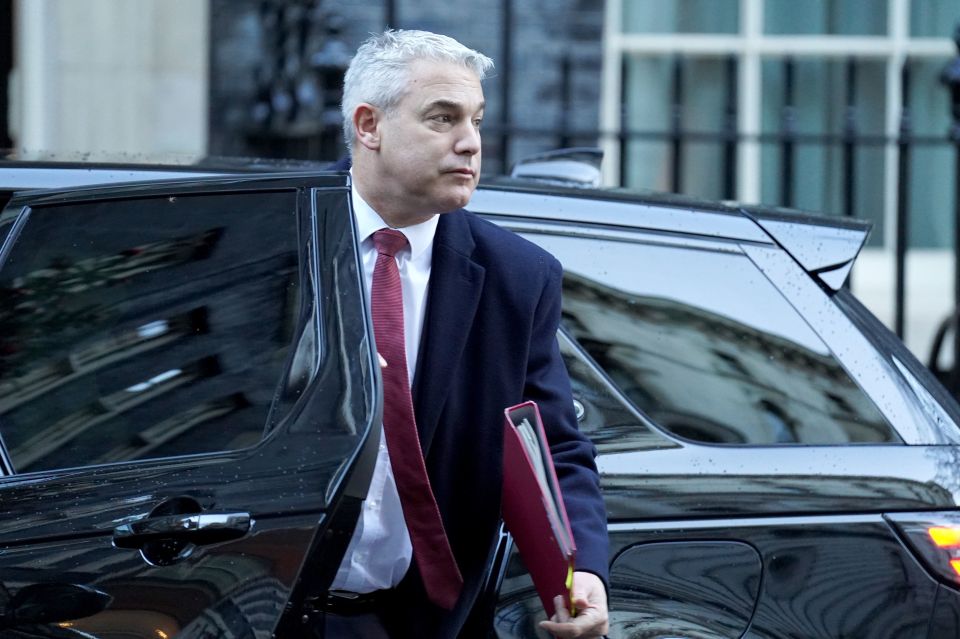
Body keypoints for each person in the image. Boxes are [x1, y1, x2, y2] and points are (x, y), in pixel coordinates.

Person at [326, 29, 609, 638]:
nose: (471, 143)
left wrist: (582, 567)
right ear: (369, 126)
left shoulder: (518, 277)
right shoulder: (274, 242)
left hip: (426, 621)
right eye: (443, 118)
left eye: (477, 120)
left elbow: (552, 445)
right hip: (260, 609)